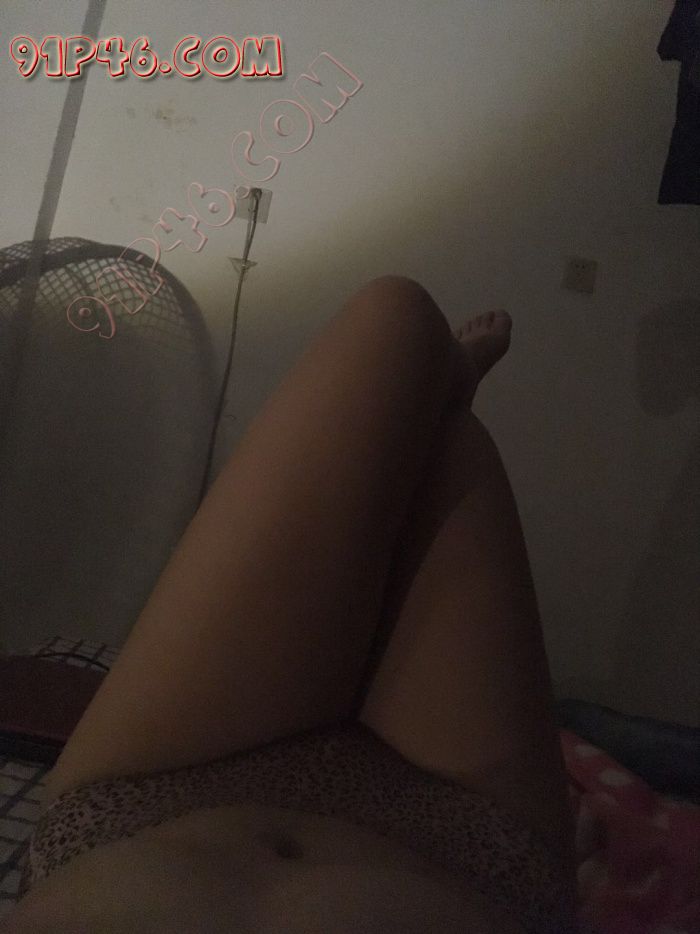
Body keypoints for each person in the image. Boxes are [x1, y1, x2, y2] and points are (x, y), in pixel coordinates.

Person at [5, 275, 579, 933]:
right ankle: (451, 390)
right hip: (467, 849)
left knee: (395, 318)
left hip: (143, 800)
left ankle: (448, 382)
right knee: (449, 435)